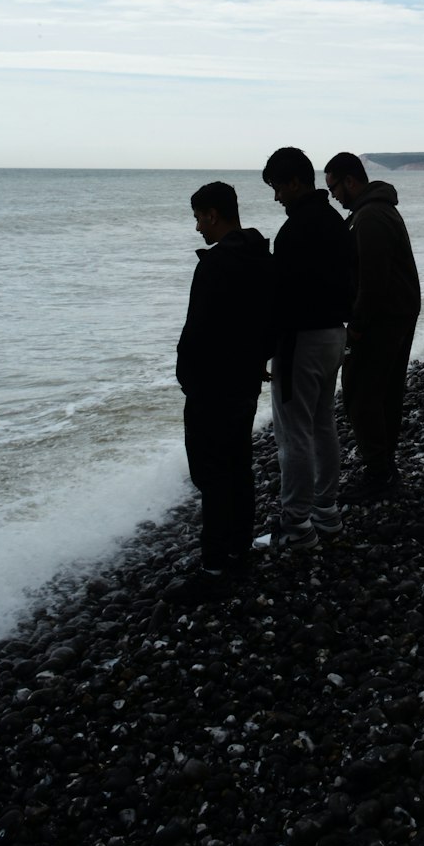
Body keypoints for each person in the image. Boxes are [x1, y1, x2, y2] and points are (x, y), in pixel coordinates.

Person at [174, 180, 272, 599]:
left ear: (213, 214)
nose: (197, 227)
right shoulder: (261, 257)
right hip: (245, 379)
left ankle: (214, 567)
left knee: (211, 474)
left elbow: (197, 330)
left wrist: (187, 377)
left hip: (212, 385)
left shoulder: (214, 265)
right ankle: (239, 548)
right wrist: (259, 360)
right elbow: (272, 315)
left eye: (198, 217)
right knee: (238, 466)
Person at [256, 147, 354, 551]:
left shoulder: (296, 230)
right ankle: (327, 513)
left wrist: (263, 347)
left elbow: (281, 298)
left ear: (294, 182)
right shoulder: (335, 221)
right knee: (322, 425)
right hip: (334, 335)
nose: (276, 197)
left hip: (301, 341)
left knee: (293, 435)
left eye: (278, 188)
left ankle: (296, 527)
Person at [324, 152, 421, 498]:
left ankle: (380, 474)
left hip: (383, 319)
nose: (333, 195)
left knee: (360, 394)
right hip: (396, 314)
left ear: (350, 181)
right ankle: (384, 470)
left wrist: (358, 327)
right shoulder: (375, 210)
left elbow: (373, 281)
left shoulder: (370, 217)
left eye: (333, 186)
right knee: (383, 393)